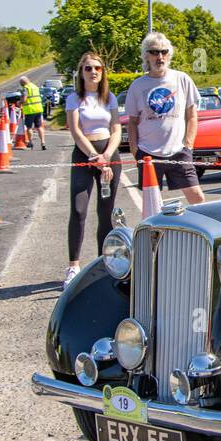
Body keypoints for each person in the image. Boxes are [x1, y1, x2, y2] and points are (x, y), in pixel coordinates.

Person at [125, 31, 207, 206]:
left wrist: (189, 144)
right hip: (148, 153)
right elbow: (132, 122)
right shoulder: (138, 85)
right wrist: (135, 150)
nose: (159, 56)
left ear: (169, 54)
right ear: (146, 55)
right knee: (152, 205)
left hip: (179, 151)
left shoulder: (182, 79)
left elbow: (192, 115)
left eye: (164, 52)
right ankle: (157, 234)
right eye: (154, 52)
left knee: (198, 199)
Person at [64, 51, 122, 287]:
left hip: (109, 155)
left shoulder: (110, 98)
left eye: (97, 68)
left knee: (105, 213)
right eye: (88, 68)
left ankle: (103, 262)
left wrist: (107, 156)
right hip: (85, 155)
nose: (93, 72)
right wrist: (94, 156)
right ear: (81, 72)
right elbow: (76, 131)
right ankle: (73, 266)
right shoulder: (74, 99)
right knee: (78, 210)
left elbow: (116, 128)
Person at [19, 72, 46, 149]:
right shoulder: (35, 87)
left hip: (30, 110)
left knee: (29, 127)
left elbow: (24, 99)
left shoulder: (25, 88)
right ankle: (43, 143)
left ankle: (30, 143)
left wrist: (19, 102)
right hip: (38, 109)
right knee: (39, 127)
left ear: (22, 83)